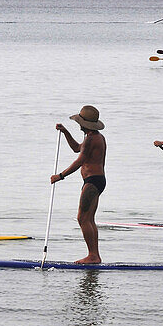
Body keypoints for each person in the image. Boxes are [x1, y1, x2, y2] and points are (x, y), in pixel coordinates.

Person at [50, 105, 107, 264]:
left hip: (93, 181)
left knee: (82, 218)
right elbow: (77, 149)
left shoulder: (91, 139)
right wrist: (65, 132)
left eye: (80, 122)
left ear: (85, 123)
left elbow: (79, 161)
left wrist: (60, 176)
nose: (79, 124)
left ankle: (93, 256)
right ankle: (95, 256)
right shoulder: (95, 136)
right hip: (97, 181)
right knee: (89, 219)